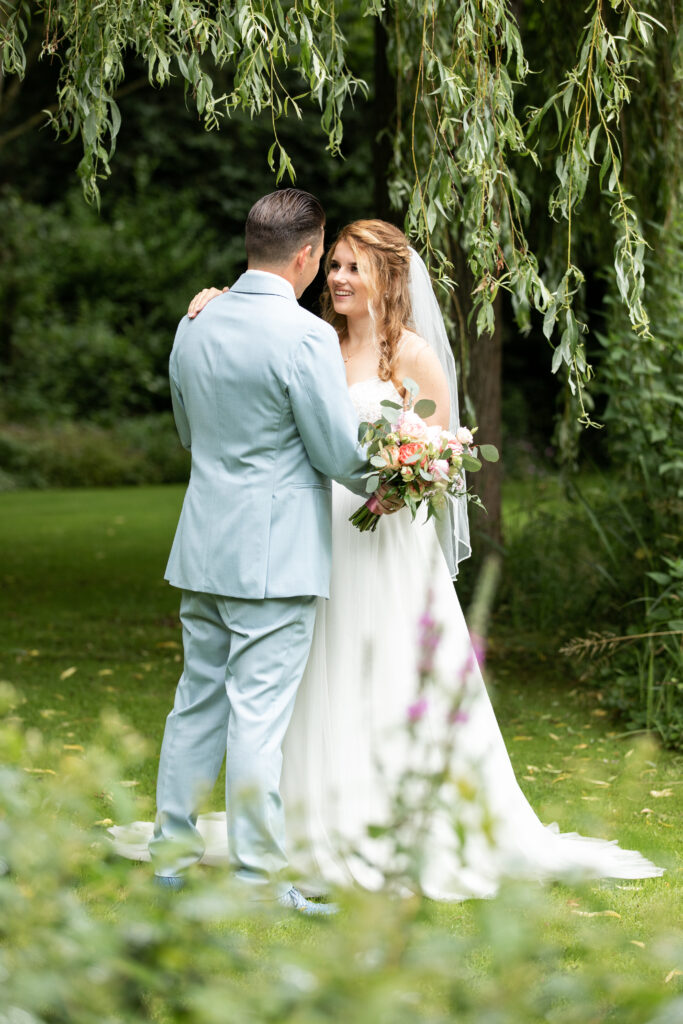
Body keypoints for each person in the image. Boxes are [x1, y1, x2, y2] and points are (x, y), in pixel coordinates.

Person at [114, 219, 663, 900]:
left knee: (376, 675)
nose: (339, 278)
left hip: (377, 541)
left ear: (390, 278)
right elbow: (317, 434)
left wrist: (408, 477)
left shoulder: (410, 355)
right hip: (308, 537)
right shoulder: (312, 341)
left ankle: (374, 820)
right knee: (297, 689)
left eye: (354, 267)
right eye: (335, 264)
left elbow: (444, 454)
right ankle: (299, 827)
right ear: (311, 259)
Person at [146, 192, 398, 915]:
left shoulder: (194, 322)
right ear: (307, 254)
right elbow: (331, 451)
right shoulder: (304, 337)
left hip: (202, 541)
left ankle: (171, 851)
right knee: (255, 714)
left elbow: (190, 433)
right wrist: (397, 476)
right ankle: (258, 875)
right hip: (274, 553)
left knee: (196, 701)